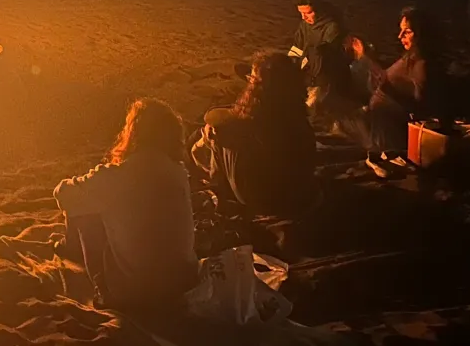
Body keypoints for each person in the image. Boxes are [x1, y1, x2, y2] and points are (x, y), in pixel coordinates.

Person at [54, 98, 199, 310]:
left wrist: (85, 179)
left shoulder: (118, 176)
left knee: (84, 210)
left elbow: (63, 194)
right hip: (182, 283)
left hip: (134, 293)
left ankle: (87, 269)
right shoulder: (177, 172)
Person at [192, 50, 319, 216]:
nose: (249, 83)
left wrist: (213, 130)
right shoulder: (294, 111)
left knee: (218, 134)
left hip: (266, 202)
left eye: (252, 78)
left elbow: (213, 117)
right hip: (302, 196)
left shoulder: (256, 118)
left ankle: (219, 190)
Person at [342, 6, 448, 178]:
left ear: (422, 34)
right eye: (400, 31)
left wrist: (367, 59)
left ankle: (382, 153)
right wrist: (367, 57)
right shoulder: (410, 57)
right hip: (380, 123)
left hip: (389, 133)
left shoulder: (422, 63)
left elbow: (418, 103)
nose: (400, 37)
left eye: (407, 32)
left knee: (336, 117)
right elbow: (387, 81)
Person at [290, 0, 352, 114]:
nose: (303, 17)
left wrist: (309, 81)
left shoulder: (333, 28)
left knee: (308, 110)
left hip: (325, 80)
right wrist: (289, 67)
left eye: (308, 13)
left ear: (319, 9)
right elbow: (296, 48)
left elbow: (324, 62)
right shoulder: (305, 25)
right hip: (307, 74)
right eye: (301, 13)